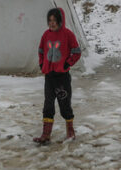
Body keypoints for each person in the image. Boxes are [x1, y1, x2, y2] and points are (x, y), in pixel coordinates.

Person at [33, 8, 82, 144]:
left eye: (55, 20)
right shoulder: (46, 35)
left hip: (62, 77)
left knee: (64, 105)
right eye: (49, 20)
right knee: (48, 105)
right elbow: (41, 50)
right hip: (49, 76)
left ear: (60, 21)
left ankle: (70, 132)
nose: (52, 23)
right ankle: (46, 134)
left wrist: (68, 63)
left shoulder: (68, 34)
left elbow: (77, 52)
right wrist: (42, 63)